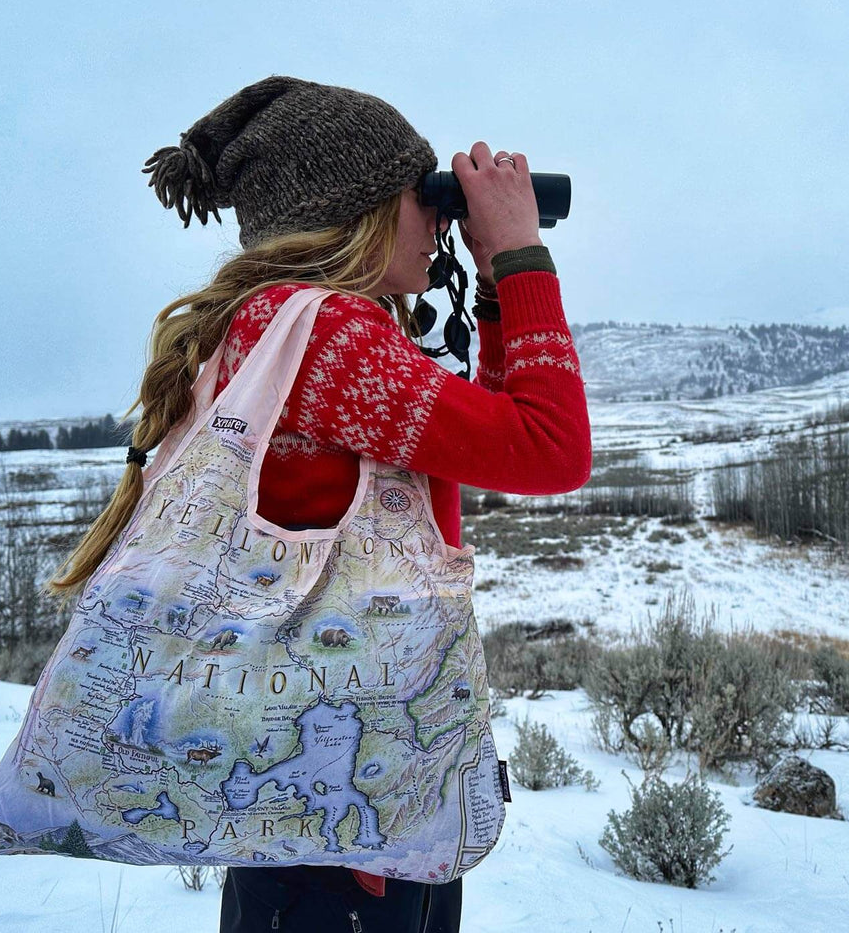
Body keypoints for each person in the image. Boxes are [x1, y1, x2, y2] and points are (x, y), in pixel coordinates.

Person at [45, 75, 591, 932]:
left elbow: (491, 437)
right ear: (360, 210)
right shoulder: (325, 335)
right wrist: (521, 254)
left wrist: (487, 287)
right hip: (346, 819)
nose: (443, 219)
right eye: (426, 197)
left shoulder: (272, 328)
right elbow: (550, 449)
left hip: (304, 793)